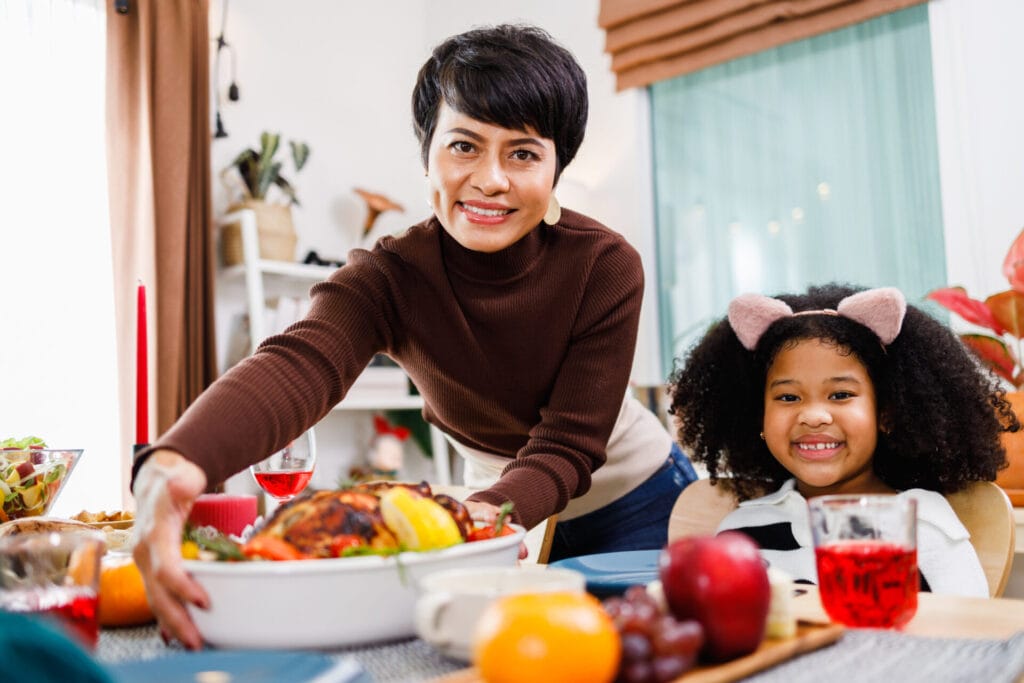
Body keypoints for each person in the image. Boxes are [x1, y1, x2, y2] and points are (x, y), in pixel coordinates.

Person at [132, 23, 697, 649]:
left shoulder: (605, 264)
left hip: (640, 498)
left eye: (524, 153)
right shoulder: (388, 277)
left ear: (557, 165)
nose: (490, 179)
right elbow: (299, 362)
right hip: (503, 514)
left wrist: (476, 518)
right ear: (427, 152)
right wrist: (174, 464)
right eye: (464, 146)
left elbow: (567, 443)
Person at [668, 283, 1016, 596]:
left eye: (840, 394)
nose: (813, 415)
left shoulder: (921, 525)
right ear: (757, 416)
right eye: (788, 398)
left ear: (887, 414)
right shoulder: (741, 530)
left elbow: (972, 643)